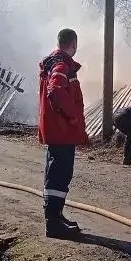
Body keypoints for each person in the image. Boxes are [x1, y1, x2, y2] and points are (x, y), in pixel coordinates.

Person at [37, 28, 88, 239]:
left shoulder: (53, 62)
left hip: (56, 130)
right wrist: (73, 116)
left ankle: (56, 217)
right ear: (73, 44)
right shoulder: (62, 64)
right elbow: (56, 90)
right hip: (62, 130)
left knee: (56, 173)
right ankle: (54, 224)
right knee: (60, 174)